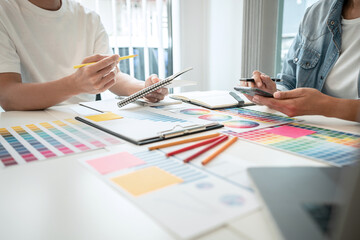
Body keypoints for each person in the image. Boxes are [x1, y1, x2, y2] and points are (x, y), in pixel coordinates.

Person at [0, 0, 167, 111]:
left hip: (84, 121)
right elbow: (7, 96)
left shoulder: (89, 18)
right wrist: (74, 85)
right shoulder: (5, 12)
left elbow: (112, 75)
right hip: (30, 126)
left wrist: (143, 89)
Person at [242, 0, 360, 122]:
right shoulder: (316, 12)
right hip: (316, 130)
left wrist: (324, 106)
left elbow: (317, 104)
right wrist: (273, 92)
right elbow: (290, 81)